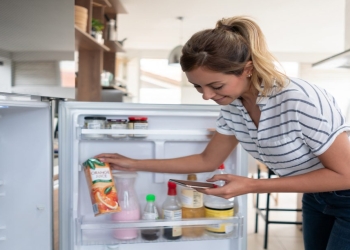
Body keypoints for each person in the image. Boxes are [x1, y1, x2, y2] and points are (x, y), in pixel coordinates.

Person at [96, 16, 350, 249]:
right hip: (315, 198)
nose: (207, 96)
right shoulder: (234, 106)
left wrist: (251, 185)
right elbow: (206, 160)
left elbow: (346, 175)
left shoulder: (299, 99)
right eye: (198, 87)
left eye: (215, 85)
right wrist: (134, 163)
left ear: (247, 69)